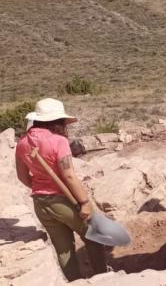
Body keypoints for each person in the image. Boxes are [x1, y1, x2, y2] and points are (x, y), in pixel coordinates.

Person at [14, 98, 108, 281]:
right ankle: (102, 278)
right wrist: (84, 202)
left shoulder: (23, 143)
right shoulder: (58, 141)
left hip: (40, 203)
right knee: (94, 234)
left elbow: (22, 176)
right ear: (57, 121)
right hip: (63, 199)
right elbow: (69, 176)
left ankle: (74, 282)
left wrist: (41, 187)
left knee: (63, 249)